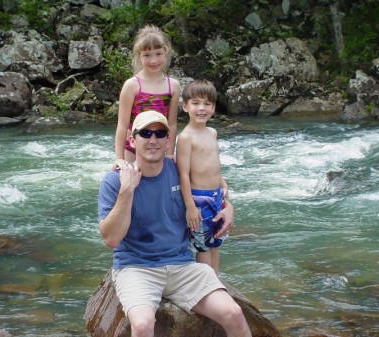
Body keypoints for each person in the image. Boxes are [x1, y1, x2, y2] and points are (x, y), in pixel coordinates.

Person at [98, 110, 251, 337]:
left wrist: (228, 206)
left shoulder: (179, 170)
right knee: (141, 325)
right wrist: (127, 191)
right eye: (145, 133)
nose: (153, 140)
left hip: (182, 265)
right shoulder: (115, 180)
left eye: (160, 133)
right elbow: (110, 239)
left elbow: (213, 180)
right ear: (133, 139)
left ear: (168, 140)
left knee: (234, 313)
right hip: (136, 267)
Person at [176, 79, 228, 273]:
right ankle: (207, 284)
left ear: (213, 108)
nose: (201, 108)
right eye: (196, 103)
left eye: (207, 104)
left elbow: (213, 163)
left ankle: (216, 278)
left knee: (216, 240)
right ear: (185, 106)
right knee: (203, 245)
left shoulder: (212, 132)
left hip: (216, 196)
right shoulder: (186, 137)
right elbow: (183, 173)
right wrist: (190, 206)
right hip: (198, 198)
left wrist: (223, 185)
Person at [113, 24, 180, 167]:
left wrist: (169, 153)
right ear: (139, 56)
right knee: (132, 183)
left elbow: (172, 124)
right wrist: (119, 158)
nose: (153, 60)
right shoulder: (132, 85)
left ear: (165, 52)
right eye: (147, 55)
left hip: (159, 145)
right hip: (132, 148)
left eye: (158, 53)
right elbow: (122, 125)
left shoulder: (173, 86)